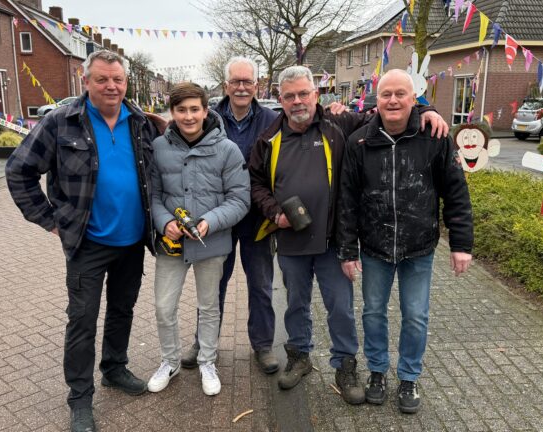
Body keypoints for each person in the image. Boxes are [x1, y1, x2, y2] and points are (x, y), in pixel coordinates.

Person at [249, 65, 449, 405]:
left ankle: (345, 366)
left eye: (303, 93)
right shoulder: (268, 139)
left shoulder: (340, 124)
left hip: (332, 241)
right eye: (290, 96)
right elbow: (256, 183)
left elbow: (389, 111)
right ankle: (299, 356)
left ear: (315, 95)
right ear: (280, 100)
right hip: (291, 239)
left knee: (341, 308)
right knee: (295, 304)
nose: (297, 101)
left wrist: (426, 109)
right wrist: (274, 212)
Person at [5, 50, 162, 432]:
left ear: (126, 83)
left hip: (132, 241)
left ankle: (114, 368)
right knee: (82, 321)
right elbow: (19, 170)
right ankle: (80, 399)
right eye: (102, 79)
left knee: (122, 309)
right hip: (87, 244)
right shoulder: (61, 122)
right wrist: (49, 220)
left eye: (118, 79)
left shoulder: (141, 122)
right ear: (86, 81)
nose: (111, 86)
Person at [336, 69, 473, 412]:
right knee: (373, 313)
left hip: (418, 247)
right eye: (386, 94)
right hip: (374, 247)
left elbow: (456, 192)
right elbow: (347, 200)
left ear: (414, 99)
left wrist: (461, 245)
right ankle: (377, 371)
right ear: (377, 100)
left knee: (415, 315)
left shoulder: (435, 137)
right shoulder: (359, 142)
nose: (393, 100)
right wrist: (348, 249)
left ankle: (409, 377)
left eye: (401, 94)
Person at [147, 82, 250, 396]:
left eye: (194, 109)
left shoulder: (227, 150)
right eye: (181, 110)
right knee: (164, 307)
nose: (188, 116)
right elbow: (153, 195)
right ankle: (170, 361)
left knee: (209, 306)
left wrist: (209, 222)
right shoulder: (158, 148)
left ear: (206, 111)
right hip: (172, 244)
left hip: (211, 242)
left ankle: (207, 360)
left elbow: (240, 199)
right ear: (172, 112)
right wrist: (165, 222)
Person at [180, 57, 281, 374]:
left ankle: (263, 345)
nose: (241, 87)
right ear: (225, 85)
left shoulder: (273, 120)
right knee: (212, 285)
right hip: (217, 217)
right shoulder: (207, 118)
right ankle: (203, 342)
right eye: (235, 81)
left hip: (258, 217)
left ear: (257, 85)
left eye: (247, 81)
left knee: (261, 284)